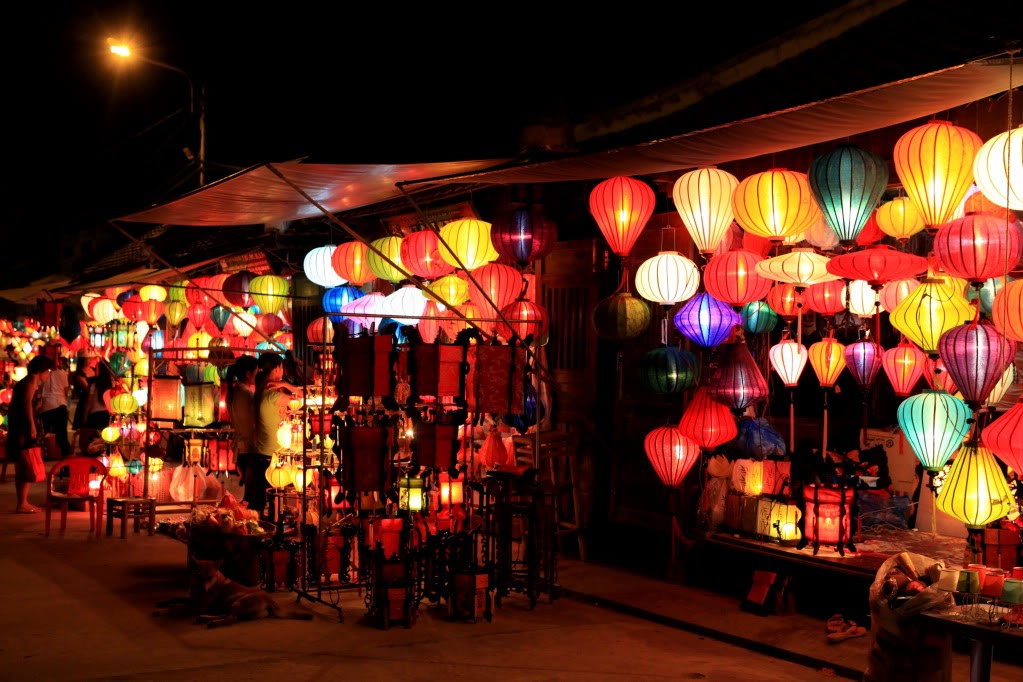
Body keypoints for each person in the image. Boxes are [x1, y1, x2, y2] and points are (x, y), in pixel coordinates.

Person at [248, 353, 303, 520]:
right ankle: (271, 532)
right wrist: (288, 385)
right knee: (273, 501)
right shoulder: (273, 397)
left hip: (261, 453)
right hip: (272, 455)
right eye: (281, 367)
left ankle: (263, 531)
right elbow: (306, 399)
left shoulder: (260, 393)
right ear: (277, 368)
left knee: (261, 501)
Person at [8, 355, 57, 513]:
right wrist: (32, 427)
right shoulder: (30, 383)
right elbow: (26, 406)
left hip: (23, 427)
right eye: (48, 371)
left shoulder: (29, 383)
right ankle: (22, 503)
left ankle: (23, 502)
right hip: (24, 429)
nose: (49, 374)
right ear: (40, 370)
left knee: (24, 464)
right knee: (26, 463)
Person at [226, 355, 258, 492]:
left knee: (250, 490)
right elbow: (253, 422)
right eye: (257, 372)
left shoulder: (234, 392)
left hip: (240, 449)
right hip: (249, 448)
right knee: (253, 493)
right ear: (248, 374)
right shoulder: (246, 394)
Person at [38, 354, 71, 459]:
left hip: (47, 406)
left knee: (46, 433)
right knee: (62, 435)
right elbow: (65, 392)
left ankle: (47, 454)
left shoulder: (42, 374)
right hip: (60, 405)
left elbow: (39, 390)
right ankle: (65, 459)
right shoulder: (62, 373)